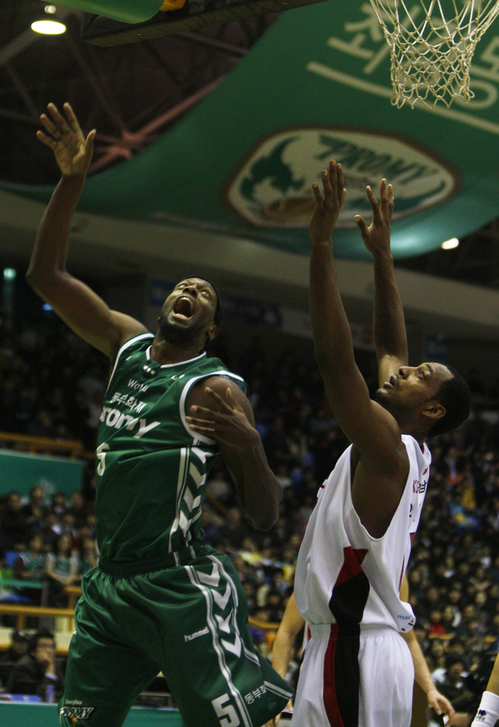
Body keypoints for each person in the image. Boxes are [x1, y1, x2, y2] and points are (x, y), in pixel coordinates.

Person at [27, 101, 292, 727]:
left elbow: (265, 517)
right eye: (182, 285)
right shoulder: (124, 344)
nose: (190, 291)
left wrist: (251, 448)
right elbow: (46, 274)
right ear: (164, 302)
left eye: (204, 294)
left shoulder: (217, 388)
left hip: (177, 586)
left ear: (212, 327)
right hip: (109, 585)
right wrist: (71, 180)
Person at [292, 162, 471, 727]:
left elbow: (333, 359)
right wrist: (382, 258)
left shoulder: (388, 444)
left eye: (419, 374)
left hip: (352, 651)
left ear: (432, 409)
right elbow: (391, 347)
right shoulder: (409, 445)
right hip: (372, 649)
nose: (401, 370)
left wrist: (321, 244)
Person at [268, 579, 456, 726]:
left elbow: (408, 637)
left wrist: (430, 689)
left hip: (381, 669)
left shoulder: (396, 571)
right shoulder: (320, 564)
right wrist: (279, 690)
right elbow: (287, 631)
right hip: (325, 666)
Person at [6, 628, 64, 702]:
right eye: (43, 646)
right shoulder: (23, 667)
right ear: (33, 652)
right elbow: (40, 698)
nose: (48, 651)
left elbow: (64, 693)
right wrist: (49, 670)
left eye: (51, 647)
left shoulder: (55, 664)